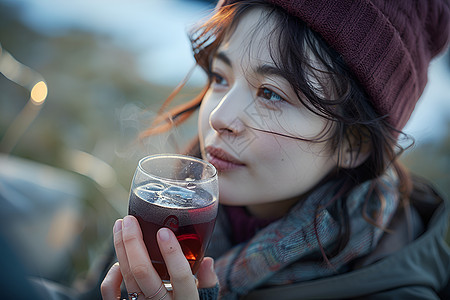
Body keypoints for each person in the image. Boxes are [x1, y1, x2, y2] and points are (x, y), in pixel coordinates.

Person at [101, 0, 450, 299]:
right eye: (221, 78)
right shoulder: (176, 204)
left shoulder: (395, 292)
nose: (220, 118)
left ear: (353, 144)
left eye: (270, 94)